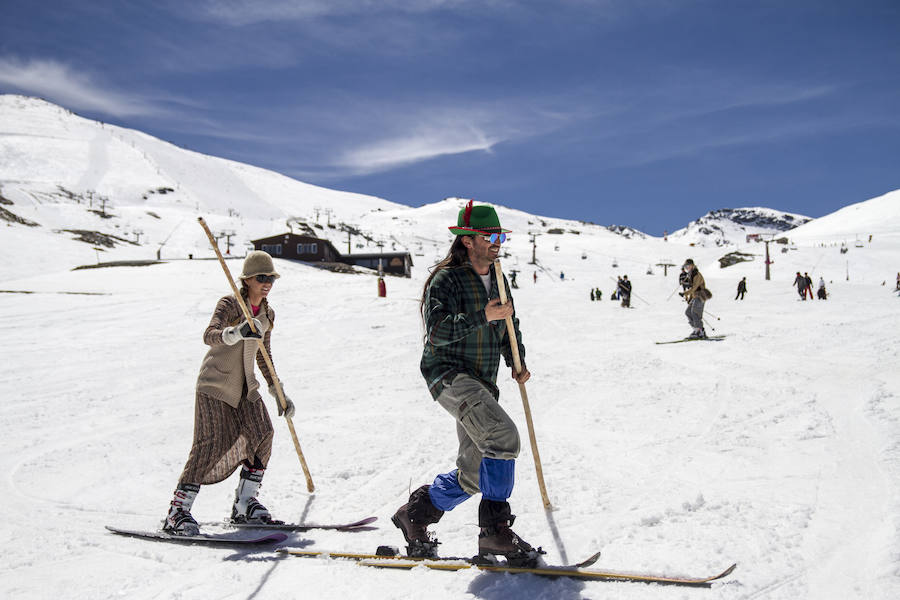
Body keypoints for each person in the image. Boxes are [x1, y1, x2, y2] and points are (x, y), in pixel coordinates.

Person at [392, 200, 539, 564]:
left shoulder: (500, 279)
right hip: (449, 374)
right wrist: (482, 315)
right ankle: (494, 534)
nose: (497, 242)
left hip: (482, 382)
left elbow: (509, 327)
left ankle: (416, 515)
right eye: (490, 235)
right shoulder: (447, 280)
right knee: (503, 438)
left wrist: (516, 360)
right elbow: (438, 332)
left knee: (474, 473)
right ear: (467, 240)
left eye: (501, 235)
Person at [163, 251, 295, 535]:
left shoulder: (268, 314)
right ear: (247, 279)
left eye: (271, 277)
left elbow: (263, 354)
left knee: (263, 433)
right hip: (216, 385)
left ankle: (245, 504)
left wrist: (277, 389)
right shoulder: (230, 304)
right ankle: (178, 511)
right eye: (262, 277)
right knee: (210, 443)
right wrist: (235, 332)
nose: (267, 282)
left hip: (246, 388)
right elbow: (209, 335)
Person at [681, 259, 712, 339]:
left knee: (695, 312)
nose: (687, 268)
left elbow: (695, 287)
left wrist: (685, 293)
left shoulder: (697, 274)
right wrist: (689, 298)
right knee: (688, 312)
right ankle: (696, 330)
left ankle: (700, 331)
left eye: (688, 266)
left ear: (692, 265)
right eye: (685, 266)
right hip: (695, 296)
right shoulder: (691, 274)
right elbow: (693, 288)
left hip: (700, 296)